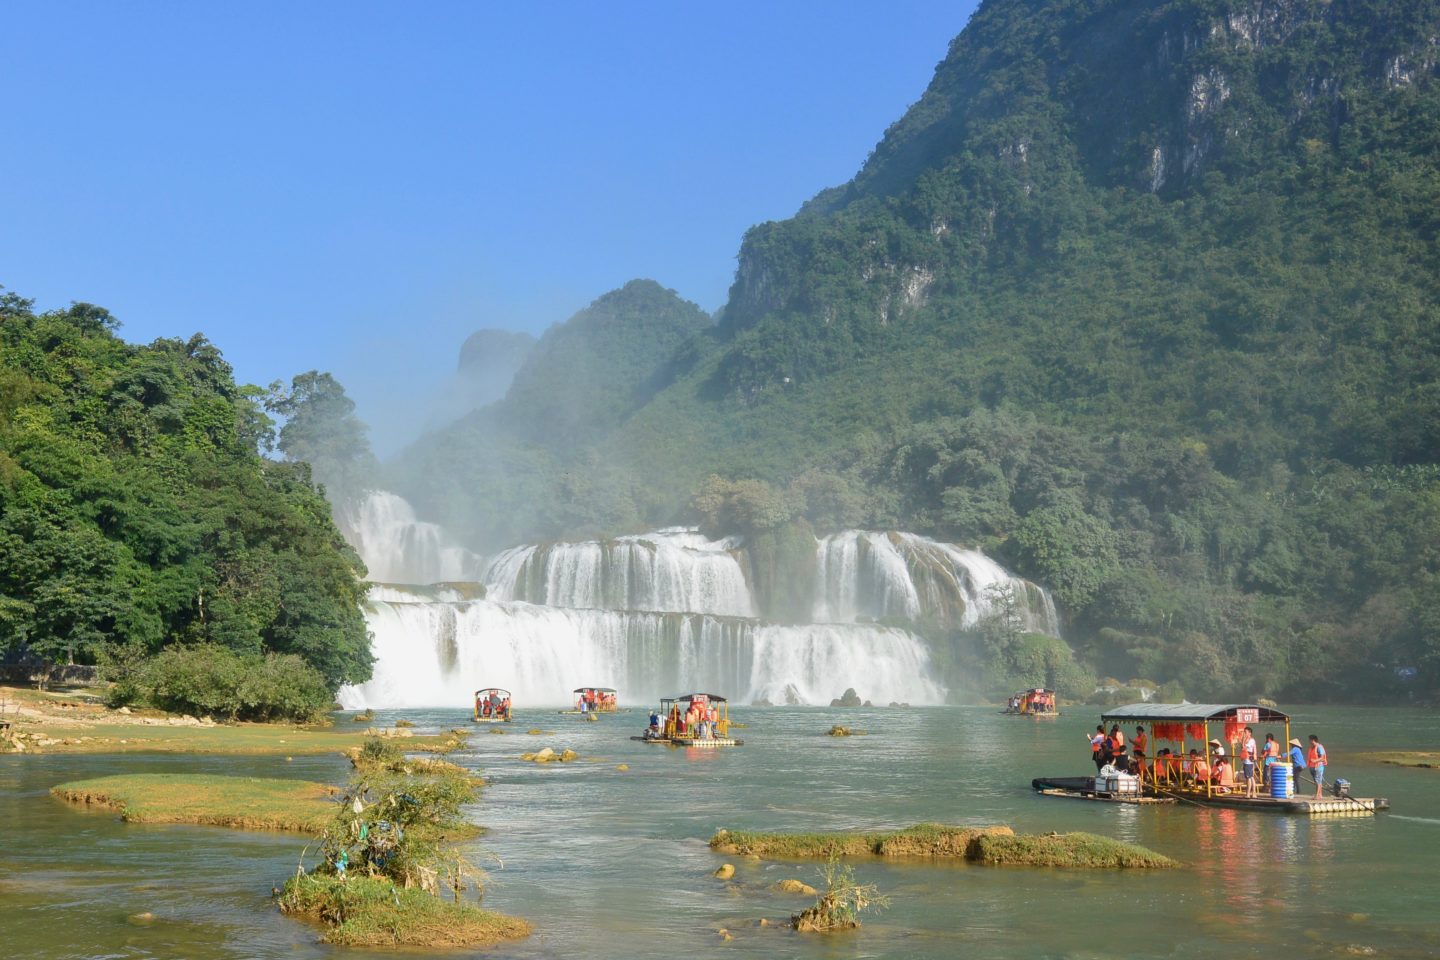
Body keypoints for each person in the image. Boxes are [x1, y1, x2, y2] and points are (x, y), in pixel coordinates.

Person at [1308, 735, 1328, 799]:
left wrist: (1315, 760)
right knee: (1317, 781)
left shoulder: (1319, 747)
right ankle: (1320, 795)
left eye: (1310, 740)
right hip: (1312, 766)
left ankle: (1317, 795)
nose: (1309, 741)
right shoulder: (1312, 748)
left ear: (1313, 740)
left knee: (1318, 781)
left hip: (1318, 766)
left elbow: (1322, 758)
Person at [1241, 726, 1259, 798]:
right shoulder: (1246, 740)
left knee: (1248, 777)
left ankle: (1248, 794)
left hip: (1249, 760)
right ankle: (1253, 793)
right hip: (1246, 760)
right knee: (1251, 777)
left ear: (1249, 733)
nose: (1244, 734)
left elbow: (1245, 748)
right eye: (1244, 732)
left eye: (1245, 732)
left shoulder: (1251, 740)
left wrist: (1243, 742)